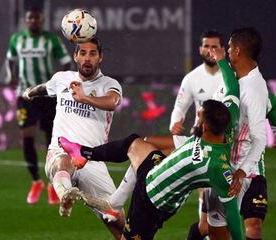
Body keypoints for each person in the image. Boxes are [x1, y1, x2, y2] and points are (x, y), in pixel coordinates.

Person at [59, 48, 245, 240]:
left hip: (154, 198)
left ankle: (113, 204)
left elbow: (231, 213)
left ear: (205, 127)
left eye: (198, 117)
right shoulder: (226, 119)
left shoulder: (216, 166)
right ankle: (83, 152)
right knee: (133, 142)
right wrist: (222, 60)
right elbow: (233, 88)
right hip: (155, 167)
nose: (195, 120)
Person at [22, 37, 125, 239]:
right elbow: (45, 87)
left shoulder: (109, 84)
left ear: (100, 58)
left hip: (93, 161)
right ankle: (65, 194)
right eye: (83, 53)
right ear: (75, 56)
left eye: (93, 54)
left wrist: (84, 97)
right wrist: (29, 93)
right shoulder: (62, 78)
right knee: (65, 160)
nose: (87, 58)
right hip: (60, 153)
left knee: (120, 223)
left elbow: (113, 102)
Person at [6, 7, 72, 205]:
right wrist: (13, 76)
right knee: (27, 135)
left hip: (46, 95)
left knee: (52, 138)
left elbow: (66, 62)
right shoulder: (17, 39)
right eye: (30, 18)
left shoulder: (50, 39)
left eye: (37, 18)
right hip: (25, 96)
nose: (34, 21)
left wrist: (59, 82)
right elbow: (10, 59)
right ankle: (36, 182)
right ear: (26, 21)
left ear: (41, 21)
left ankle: (53, 183)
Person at [210, 27, 269, 240]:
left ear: (237, 51)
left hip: (246, 170)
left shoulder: (254, 89)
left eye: (229, 47)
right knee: (214, 229)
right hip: (223, 165)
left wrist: (242, 171)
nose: (226, 51)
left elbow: (260, 137)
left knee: (252, 225)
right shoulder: (232, 81)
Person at [170, 29, 224, 240]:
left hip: (226, 142)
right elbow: (179, 108)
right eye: (206, 46)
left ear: (223, 50)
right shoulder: (192, 78)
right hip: (201, 141)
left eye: (214, 46)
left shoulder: (229, 77)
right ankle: (208, 231)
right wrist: (175, 123)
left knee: (222, 189)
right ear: (200, 49)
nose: (210, 50)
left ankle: (211, 230)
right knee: (205, 187)